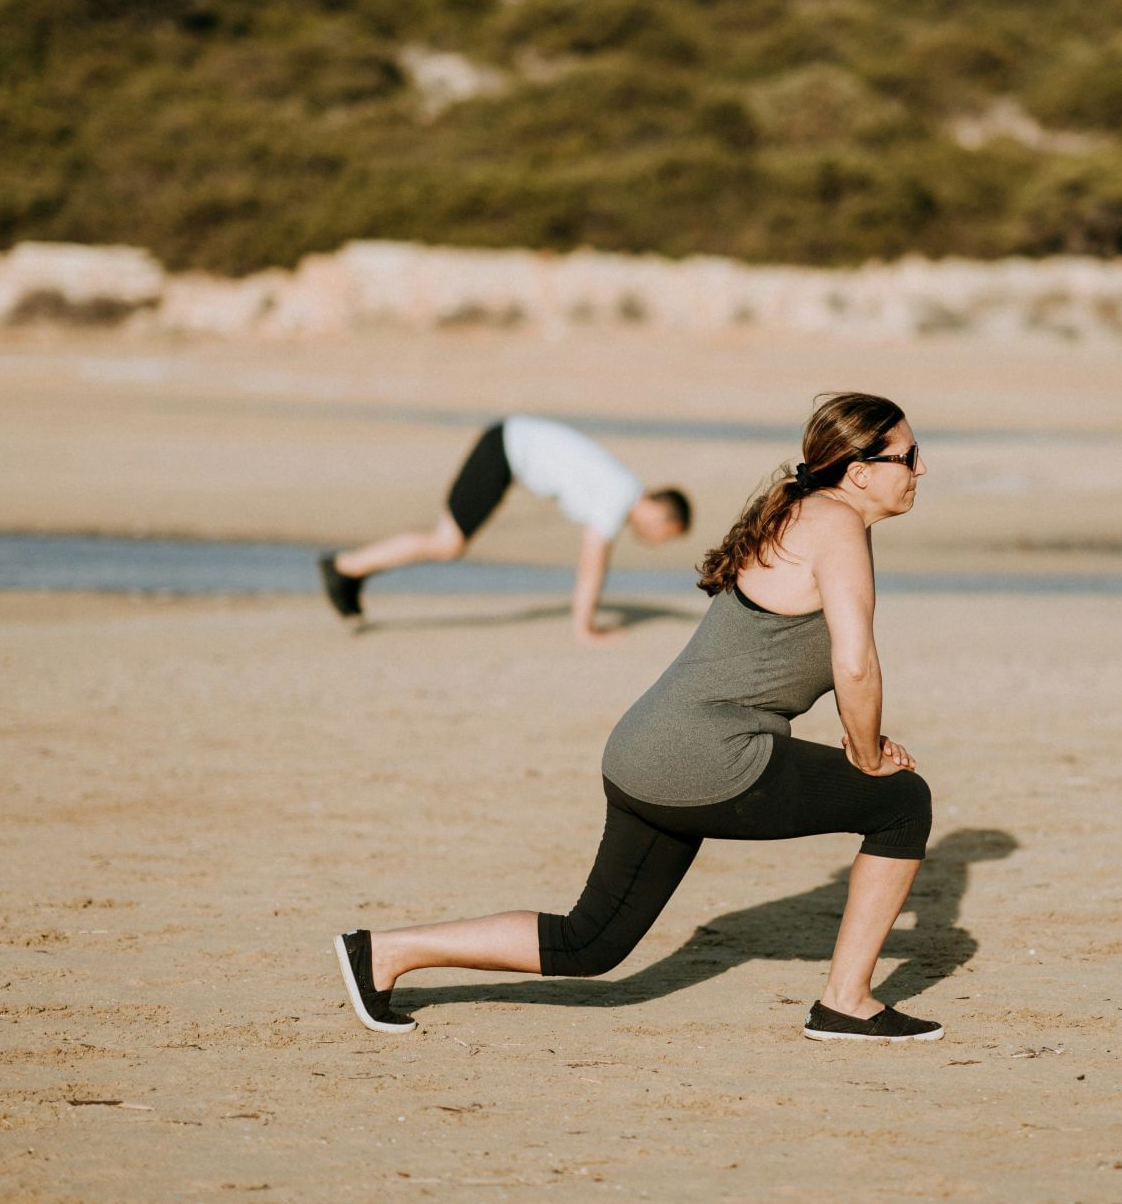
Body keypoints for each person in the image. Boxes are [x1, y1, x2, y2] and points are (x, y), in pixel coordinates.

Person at [332, 392, 942, 1041]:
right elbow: (855, 664)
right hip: (705, 757)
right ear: (860, 472)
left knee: (590, 941)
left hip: (645, 751)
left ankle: (384, 953)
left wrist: (863, 742)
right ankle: (846, 1001)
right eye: (909, 455)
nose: (921, 468)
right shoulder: (836, 524)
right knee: (901, 803)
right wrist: (869, 755)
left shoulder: (803, 510)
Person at [318, 416, 692, 643]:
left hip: (507, 447)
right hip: (503, 448)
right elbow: (592, 563)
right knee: (448, 543)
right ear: (666, 521)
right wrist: (585, 630)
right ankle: (344, 568)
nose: (656, 544)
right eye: (666, 538)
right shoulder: (618, 496)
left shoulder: (620, 488)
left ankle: (349, 571)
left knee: (448, 542)